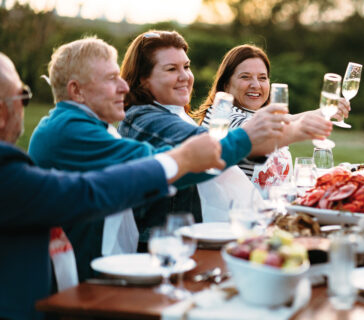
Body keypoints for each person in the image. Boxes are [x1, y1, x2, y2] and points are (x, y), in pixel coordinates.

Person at [0, 52, 223, 320]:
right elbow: (89, 191)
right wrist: (179, 160)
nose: (124, 86)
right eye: (23, 96)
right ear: (2, 112)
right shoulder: (63, 131)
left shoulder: (80, 124)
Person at [26, 37, 257, 281]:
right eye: (110, 79)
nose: (124, 87)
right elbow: (149, 169)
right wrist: (250, 137)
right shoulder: (70, 130)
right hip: (77, 285)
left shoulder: (82, 124)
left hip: (98, 271)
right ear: (76, 91)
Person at [118, 32, 331, 220]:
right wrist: (295, 132)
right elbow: (209, 148)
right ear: (143, 79)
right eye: (172, 69)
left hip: (206, 229)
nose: (185, 77)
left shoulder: (172, 111)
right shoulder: (145, 119)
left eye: (186, 66)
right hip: (164, 240)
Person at [192, 44, 342, 184]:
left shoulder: (250, 113)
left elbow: (284, 120)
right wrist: (301, 128)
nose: (256, 85)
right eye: (245, 77)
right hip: (234, 211)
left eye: (262, 78)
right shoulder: (222, 115)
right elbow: (254, 134)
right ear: (226, 84)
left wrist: (322, 112)